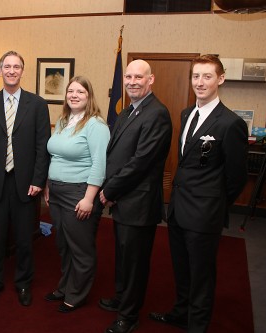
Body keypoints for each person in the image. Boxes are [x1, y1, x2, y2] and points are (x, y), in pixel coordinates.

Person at [149, 54, 248, 333]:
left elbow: (237, 177)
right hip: (179, 210)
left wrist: (214, 204)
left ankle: (197, 326)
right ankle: (181, 313)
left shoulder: (230, 124)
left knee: (202, 276)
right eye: (196, 76)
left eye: (207, 76)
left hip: (205, 215)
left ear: (220, 79)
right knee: (181, 270)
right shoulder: (186, 113)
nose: (200, 82)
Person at [98, 59, 173, 333]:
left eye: (138, 77)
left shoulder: (157, 114)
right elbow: (115, 154)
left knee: (135, 263)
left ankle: (128, 317)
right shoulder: (127, 110)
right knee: (122, 256)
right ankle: (121, 298)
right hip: (123, 200)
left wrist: (109, 190)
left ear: (150, 80)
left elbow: (141, 162)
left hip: (138, 202)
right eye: (128, 76)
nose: (131, 81)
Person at [0, 50, 51, 306]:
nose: (11, 71)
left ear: (22, 70)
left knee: (24, 239)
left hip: (26, 183)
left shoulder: (37, 104)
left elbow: (43, 146)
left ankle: (23, 284)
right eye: (7, 66)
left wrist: (39, 180)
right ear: (0, 70)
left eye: (16, 66)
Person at [44, 76, 110, 313]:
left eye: (80, 92)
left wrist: (89, 198)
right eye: (70, 91)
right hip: (58, 191)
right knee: (63, 244)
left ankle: (77, 294)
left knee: (80, 247)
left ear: (89, 96)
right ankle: (65, 286)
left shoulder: (96, 126)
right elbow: (56, 156)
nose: (74, 95)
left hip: (80, 193)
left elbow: (99, 165)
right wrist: (49, 186)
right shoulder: (63, 121)